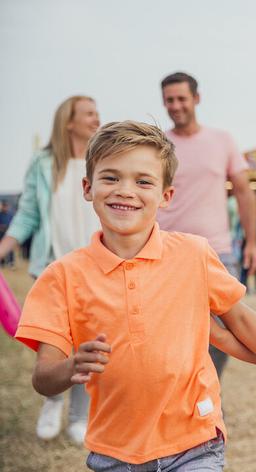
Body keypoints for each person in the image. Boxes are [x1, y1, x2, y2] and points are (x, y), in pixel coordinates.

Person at [14, 121, 256, 471]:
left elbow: (241, 320)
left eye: (143, 181)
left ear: (166, 196)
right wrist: (71, 367)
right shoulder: (62, 276)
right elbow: (43, 379)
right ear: (88, 187)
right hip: (114, 452)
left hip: (196, 443)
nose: (125, 191)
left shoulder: (194, 254)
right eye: (111, 178)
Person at [0, 95, 100, 444]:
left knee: (88, 343)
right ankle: (53, 402)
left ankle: (79, 415)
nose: (97, 118)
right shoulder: (43, 163)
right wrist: (4, 248)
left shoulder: (101, 158)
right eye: (89, 114)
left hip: (96, 268)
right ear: (68, 122)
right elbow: (27, 213)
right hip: (52, 268)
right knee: (54, 343)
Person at [157, 71, 256, 380]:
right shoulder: (159, 144)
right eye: (169, 100)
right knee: (169, 331)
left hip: (217, 251)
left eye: (181, 99)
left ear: (197, 99)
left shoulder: (222, 140)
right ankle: (183, 394)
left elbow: (244, 192)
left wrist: (251, 242)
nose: (175, 106)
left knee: (226, 329)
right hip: (165, 251)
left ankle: (210, 391)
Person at [0, 201, 15, 267]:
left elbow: (13, 223)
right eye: (4, 206)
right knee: (2, 247)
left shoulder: (10, 215)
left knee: (10, 248)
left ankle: (11, 262)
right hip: (1, 233)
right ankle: (2, 262)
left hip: (9, 233)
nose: (5, 208)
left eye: (6, 206)